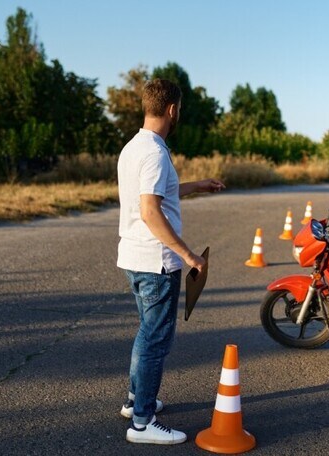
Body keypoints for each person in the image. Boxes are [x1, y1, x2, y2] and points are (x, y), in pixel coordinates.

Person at [116, 78, 225, 445]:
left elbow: (155, 193)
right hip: (156, 262)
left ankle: (136, 402)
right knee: (155, 340)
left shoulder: (134, 147)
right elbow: (150, 210)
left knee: (146, 333)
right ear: (173, 109)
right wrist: (188, 255)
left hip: (133, 257)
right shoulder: (156, 152)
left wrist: (197, 185)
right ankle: (143, 424)